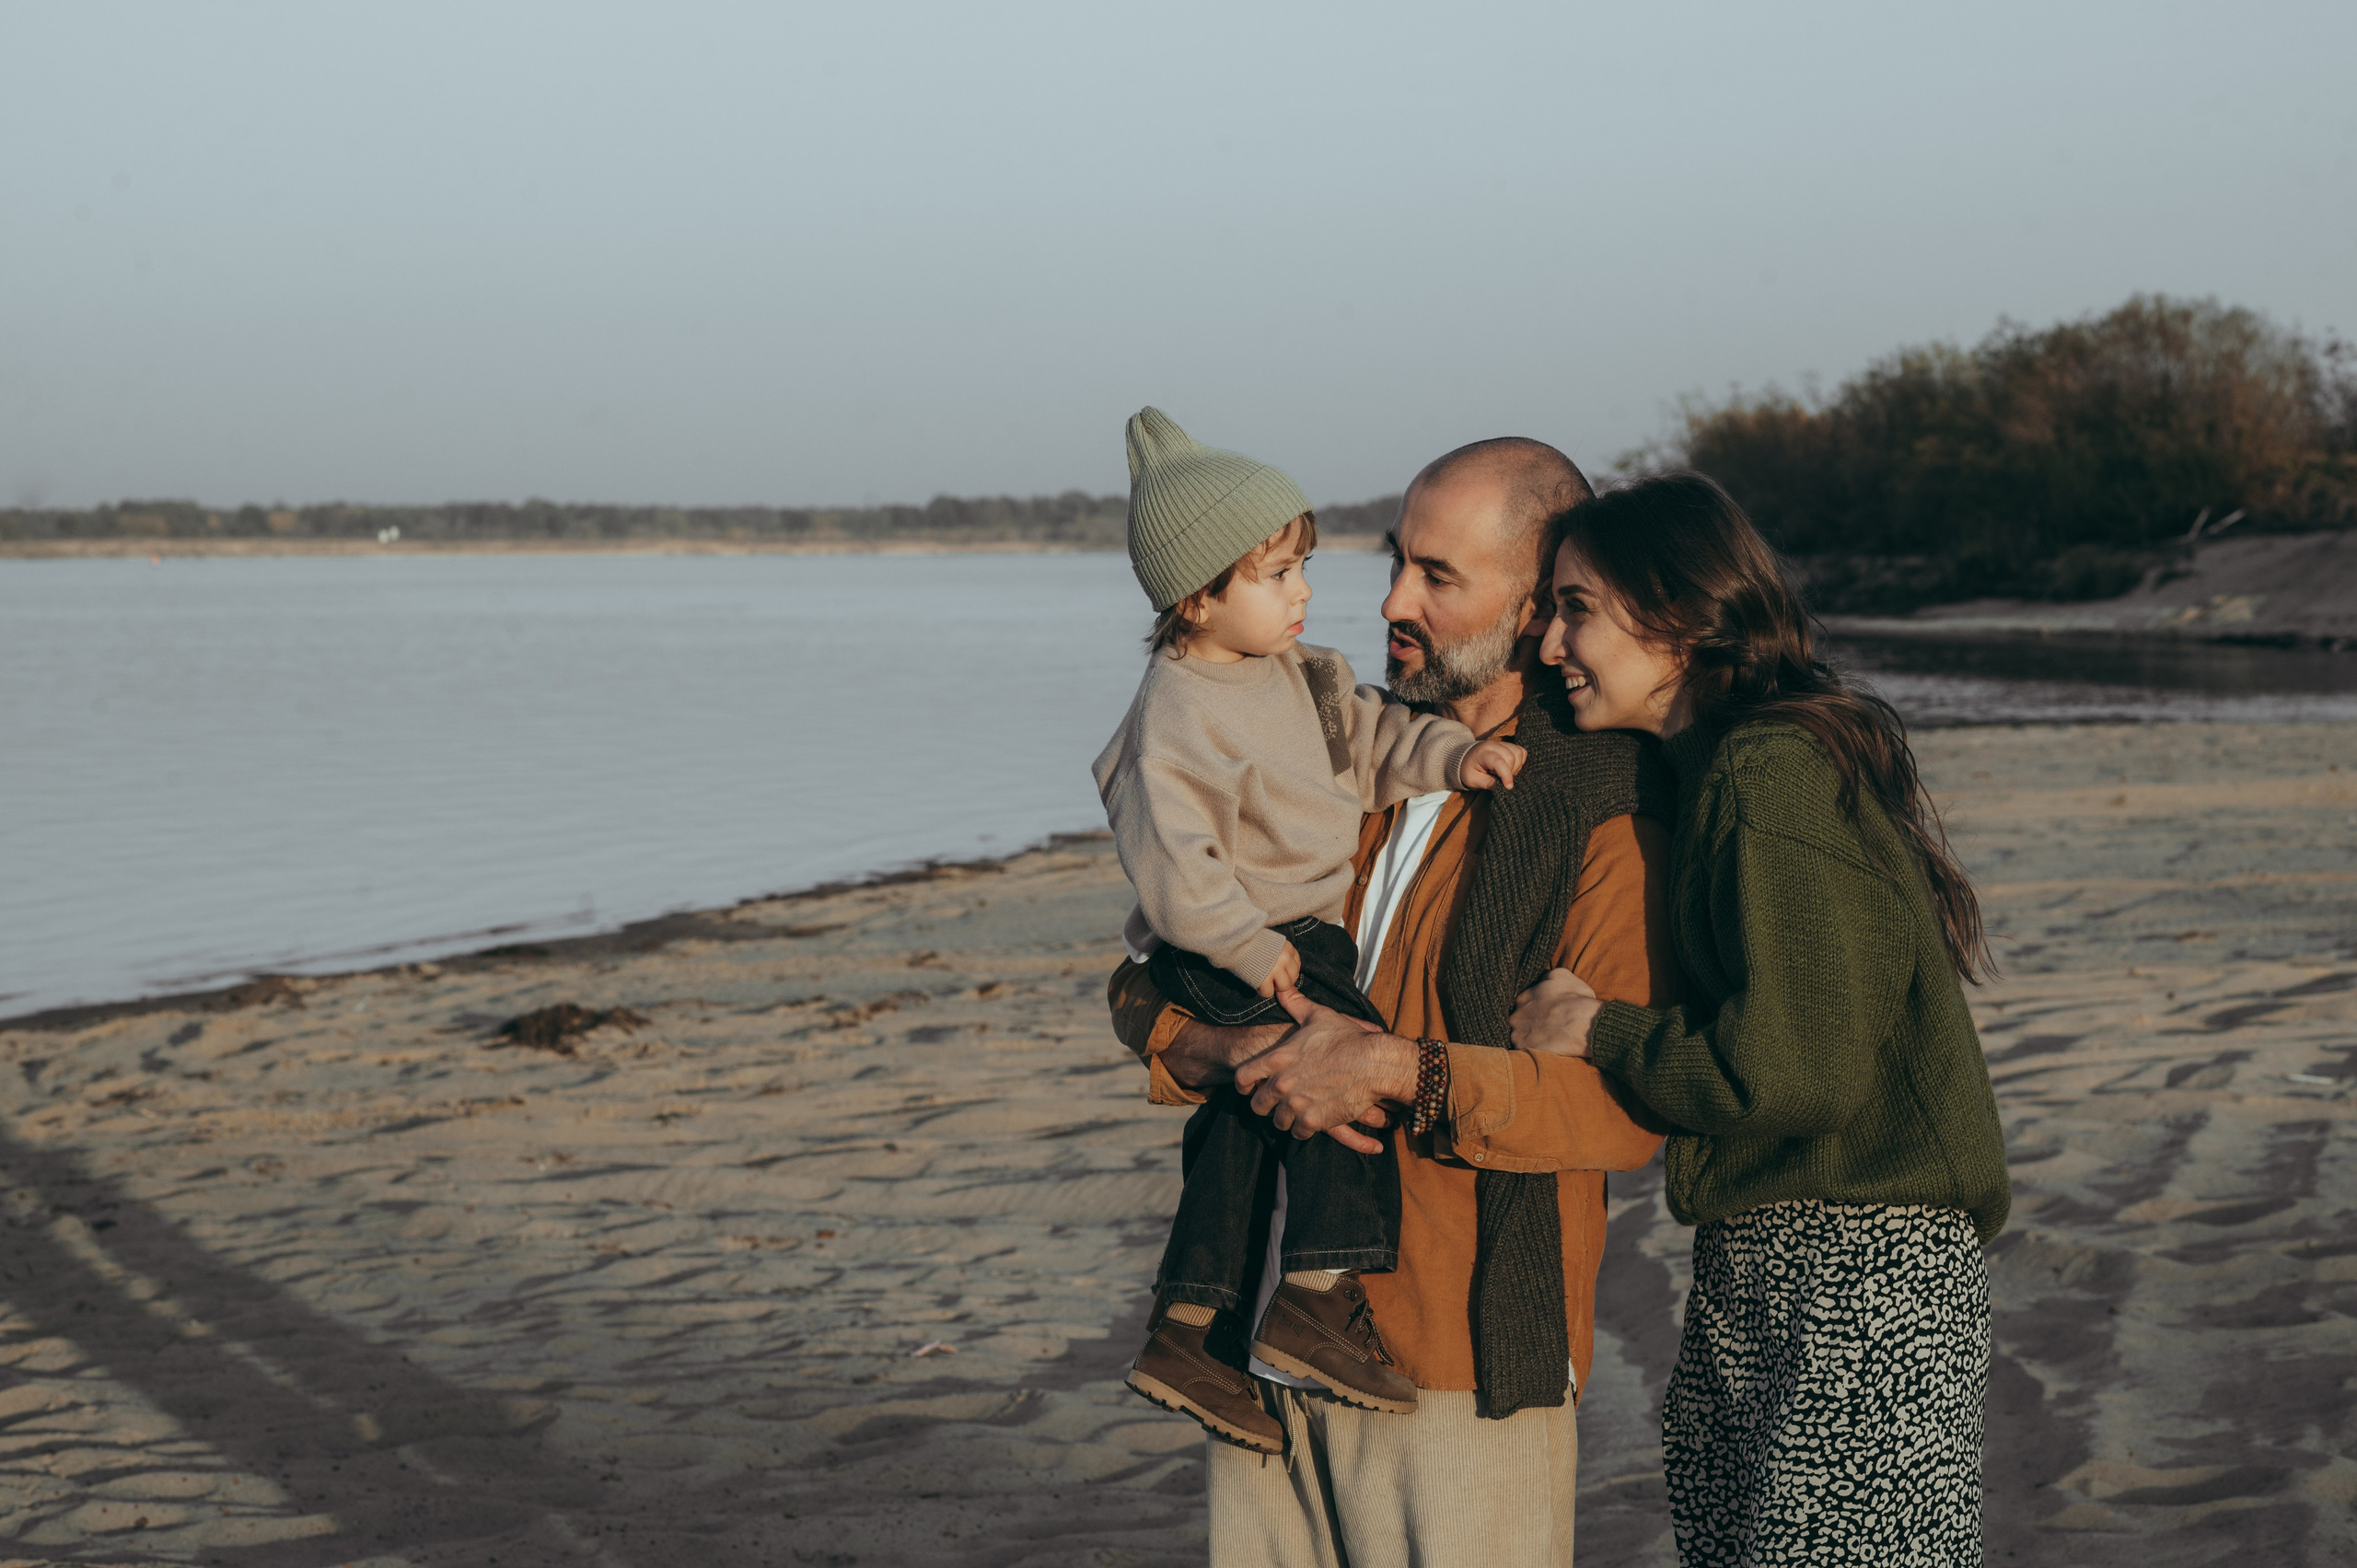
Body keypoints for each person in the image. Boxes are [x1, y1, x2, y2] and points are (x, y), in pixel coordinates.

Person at [1109, 436, 1678, 1566]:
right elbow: (1145, 981)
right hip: (1259, 1351)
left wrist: (1389, 1068)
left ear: (1534, 608)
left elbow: (1617, 1108)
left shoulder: (1604, 798)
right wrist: (1218, 1051)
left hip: (1460, 1360)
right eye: (1395, 561)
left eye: (1437, 575)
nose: (1390, 601)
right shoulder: (1324, 736)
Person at [1505, 471, 2010, 1565]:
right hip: (1781, 1256)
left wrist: (1597, 1028)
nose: (1550, 643)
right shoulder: (1722, 768)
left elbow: (1792, 1071)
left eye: (1576, 607)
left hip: (1860, 1269)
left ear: (1679, 618)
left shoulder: (1767, 769)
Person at [1097, 408, 1527, 1453]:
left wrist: (1454, 760)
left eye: (1301, 567)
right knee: (1346, 1080)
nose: (1305, 593)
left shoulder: (1305, 673)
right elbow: (1174, 872)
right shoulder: (1178, 713)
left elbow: (1377, 736)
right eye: (1275, 574)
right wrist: (1258, 959)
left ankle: (1191, 1327)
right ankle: (1319, 1290)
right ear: (1197, 595)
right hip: (1253, 940)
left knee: (1243, 1132)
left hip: (1281, 937)